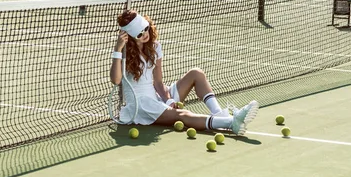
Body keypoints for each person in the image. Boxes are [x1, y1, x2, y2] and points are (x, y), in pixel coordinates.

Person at [110, 10, 258, 135]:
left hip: (156, 96)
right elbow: (116, 80)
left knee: (196, 73)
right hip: (141, 106)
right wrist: (117, 50)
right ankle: (232, 122)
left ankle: (220, 115)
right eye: (139, 34)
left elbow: (158, 82)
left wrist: (168, 100)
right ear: (129, 36)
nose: (145, 34)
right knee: (181, 115)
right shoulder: (124, 54)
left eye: (146, 28)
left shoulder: (154, 47)